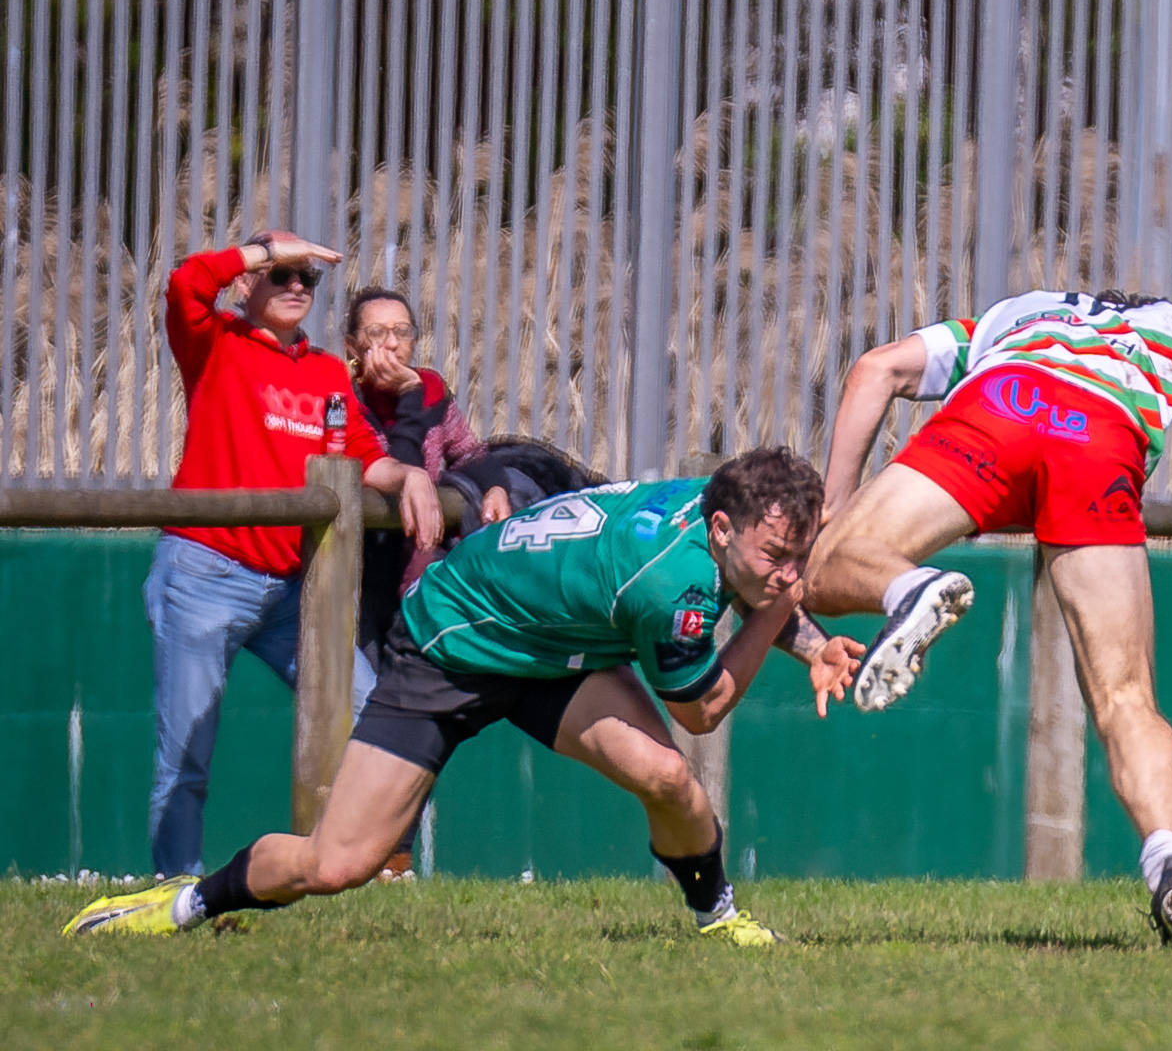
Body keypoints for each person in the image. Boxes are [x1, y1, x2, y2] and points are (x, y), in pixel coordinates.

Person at [66, 448, 862, 946]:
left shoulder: (710, 511)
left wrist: (811, 640)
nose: (788, 571)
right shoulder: (669, 579)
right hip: (450, 645)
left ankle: (717, 919)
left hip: (550, 646)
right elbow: (705, 708)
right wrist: (792, 608)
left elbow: (749, 589)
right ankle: (183, 904)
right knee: (337, 864)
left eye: (799, 555)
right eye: (776, 555)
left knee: (667, 781)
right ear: (722, 526)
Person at [802, 288, 1172, 953]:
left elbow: (877, 368)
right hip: (1100, 437)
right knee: (1126, 699)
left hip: (1003, 402)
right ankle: (1170, 862)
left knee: (827, 572)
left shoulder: (1014, 313)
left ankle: (911, 586)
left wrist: (832, 513)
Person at [147, 231, 442, 878]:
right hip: (204, 571)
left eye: (307, 278)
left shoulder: (328, 372)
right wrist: (260, 250)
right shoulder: (215, 341)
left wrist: (410, 477)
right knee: (187, 755)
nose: (295, 287)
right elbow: (184, 285)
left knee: (372, 712)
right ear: (249, 282)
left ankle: (360, 870)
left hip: (290, 590)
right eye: (280, 275)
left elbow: (366, 459)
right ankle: (177, 890)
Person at [344, 284, 516, 879]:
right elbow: (399, 464)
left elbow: (469, 451)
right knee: (363, 717)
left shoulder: (432, 389)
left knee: (410, 721)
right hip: (356, 580)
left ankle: (394, 859)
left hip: (421, 584)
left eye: (402, 334)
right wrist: (410, 402)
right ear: (352, 347)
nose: (392, 346)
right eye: (376, 335)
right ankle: (339, 853)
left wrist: (494, 485)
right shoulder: (342, 398)